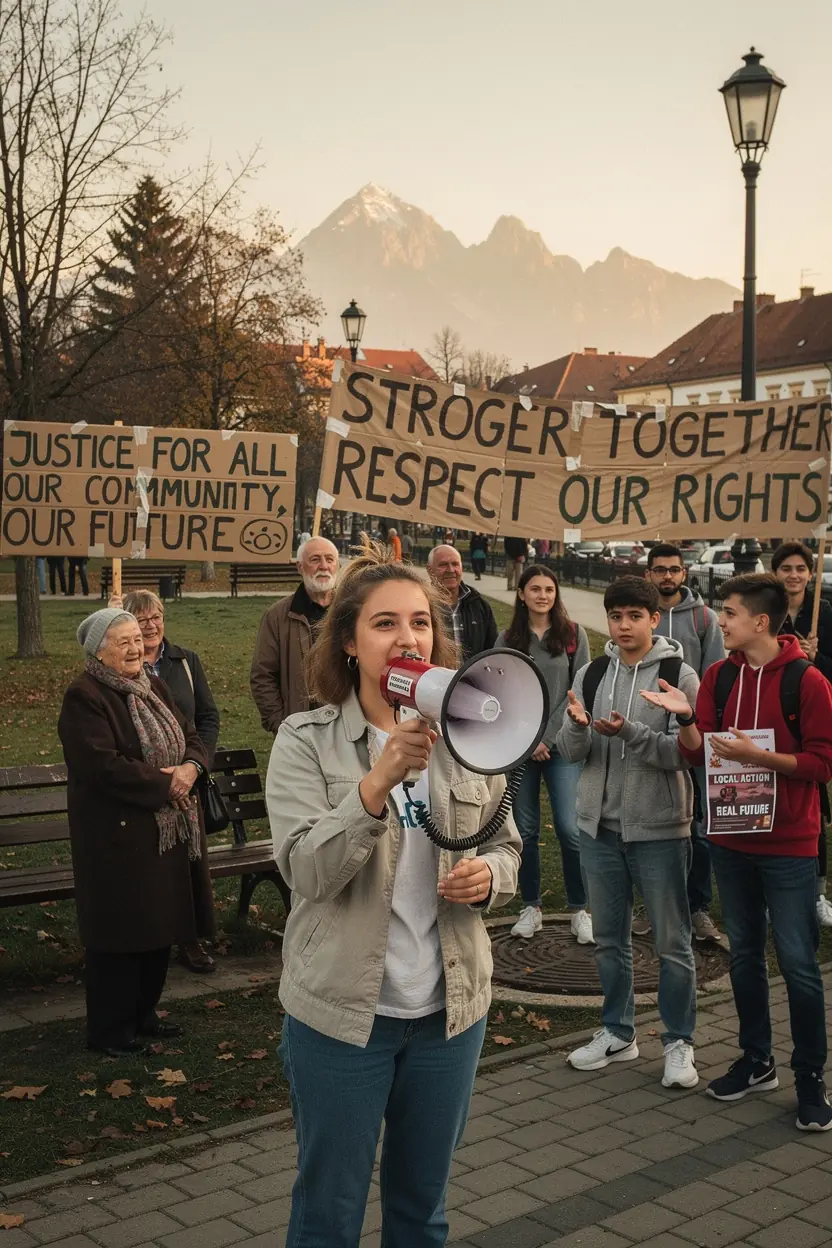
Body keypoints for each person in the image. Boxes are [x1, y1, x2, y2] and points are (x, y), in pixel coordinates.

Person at [266, 541, 521, 1247]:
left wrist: (489, 878)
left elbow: (507, 848)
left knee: (422, 1210)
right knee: (330, 1213)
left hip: (449, 1016)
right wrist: (375, 785)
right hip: (344, 1019)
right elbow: (305, 873)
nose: (406, 637)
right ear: (350, 642)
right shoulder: (305, 741)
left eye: (419, 622)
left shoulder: (469, 734)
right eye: (384, 623)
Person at [664, 573, 832, 1131]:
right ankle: (757, 1060)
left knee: (800, 965)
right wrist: (688, 720)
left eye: (730, 612)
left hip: (789, 847)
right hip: (730, 840)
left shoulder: (807, 682)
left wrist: (760, 759)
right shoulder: (718, 676)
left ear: (760, 621)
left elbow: (822, 765)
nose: (722, 620)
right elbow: (697, 756)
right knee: (744, 956)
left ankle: (810, 1076)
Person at [557, 577, 700, 1090]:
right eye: (615, 617)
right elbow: (572, 751)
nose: (623, 626)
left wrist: (629, 732)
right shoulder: (594, 672)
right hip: (600, 829)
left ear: (653, 619)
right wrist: (576, 725)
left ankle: (679, 1041)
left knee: (672, 941)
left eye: (634, 616)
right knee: (608, 940)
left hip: (659, 829)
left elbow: (685, 753)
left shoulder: (676, 675)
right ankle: (618, 1032)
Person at [57, 609, 211, 1056]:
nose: (134, 646)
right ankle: (110, 1031)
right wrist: (167, 784)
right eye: (121, 641)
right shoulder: (84, 696)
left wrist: (191, 767)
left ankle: (144, 1015)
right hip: (117, 840)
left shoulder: (152, 683)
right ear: (98, 651)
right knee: (120, 936)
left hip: (165, 833)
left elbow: (191, 733)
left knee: (159, 929)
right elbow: (102, 766)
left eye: (135, 637)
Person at [118, 590, 221, 974]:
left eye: (156, 617)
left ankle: (190, 939)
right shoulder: (121, 665)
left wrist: (196, 764)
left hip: (188, 779)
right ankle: (153, 944)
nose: (151, 626)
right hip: (148, 786)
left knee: (190, 862)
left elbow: (207, 717)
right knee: (154, 868)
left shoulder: (184, 661)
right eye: (141, 620)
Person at [496, 565, 592, 943]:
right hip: (520, 749)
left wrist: (547, 738)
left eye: (549, 589)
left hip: (562, 746)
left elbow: (578, 690)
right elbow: (501, 694)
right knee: (526, 830)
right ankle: (530, 906)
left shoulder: (573, 636)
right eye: (534, 589)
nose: (542, 595)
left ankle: (580, 908)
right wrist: (528, 739)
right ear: (521, 594)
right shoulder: (508, 637)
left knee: (570, 829)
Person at [646, 543, 726, 943]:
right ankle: (657, 904)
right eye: (660, 570)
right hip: (648, 736)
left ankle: (697, 908)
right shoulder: (644, 617)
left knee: (699, 827)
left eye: (674, 570)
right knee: (653, 823)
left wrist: (700, 727)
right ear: (649, 574)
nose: (667, 577)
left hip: (692, 735)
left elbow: (714, 676)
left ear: (684, 572)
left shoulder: (703, 618)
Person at [772, 541, 832, 927]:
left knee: (813, 803)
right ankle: (772, 890)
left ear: (811, 573)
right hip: (775, 716)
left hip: (812, 713)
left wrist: (816, 658)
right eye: (786, 568)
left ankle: (818, 891)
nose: (793, 575)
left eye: (800, 568)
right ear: (775, 572)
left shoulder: (823, 612)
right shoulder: (768, 611)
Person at [250, 536, 339, 734]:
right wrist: (280, 724)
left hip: (346, 727)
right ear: (300, 567)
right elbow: (262, 676)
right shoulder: (277, 616)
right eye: (315, 560)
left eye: (330, 559)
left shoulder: (351, 611)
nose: (323, 566)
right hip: (299, 729)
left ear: (337, 565)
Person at [427, 544, 497, 661]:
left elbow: (492, 651)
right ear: (429, 570)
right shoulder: (422, 605)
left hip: (472, 678)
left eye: (455, 564)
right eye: (443, 565)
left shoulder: (479, 605)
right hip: (434, 678)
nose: (450, 570)